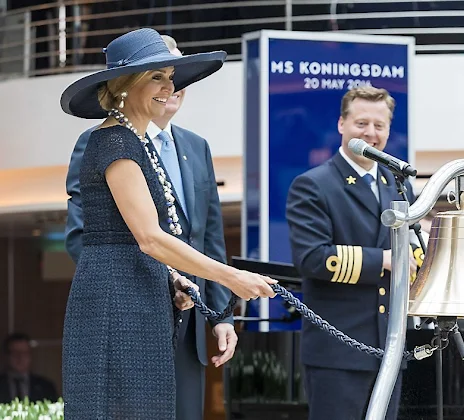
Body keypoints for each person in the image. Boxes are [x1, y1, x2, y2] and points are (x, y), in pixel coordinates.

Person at [59, 28, 277, 419]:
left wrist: (172, 280)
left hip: (142, 299)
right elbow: (149, 238)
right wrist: (232, 278)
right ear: (124, 85)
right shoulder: (115, 142)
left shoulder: (134, 140)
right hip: (117, 303)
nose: (169, 86)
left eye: (171, 76)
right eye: (156, 76)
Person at [285, 86, 415, 420]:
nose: (371, 133)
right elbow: (312, 257)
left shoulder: (396, 184)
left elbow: (410, 248)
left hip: (388, 346)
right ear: (341, 124)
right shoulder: (314, 184)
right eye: (361, 123)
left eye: (379, 125)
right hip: (338, 350)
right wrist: (385, 261)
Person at [0, 333, 57, 403]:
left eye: (24, 353)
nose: (20, 357)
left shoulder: (46, 387)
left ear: (30, 355)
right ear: (6, 356)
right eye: (15, 353)